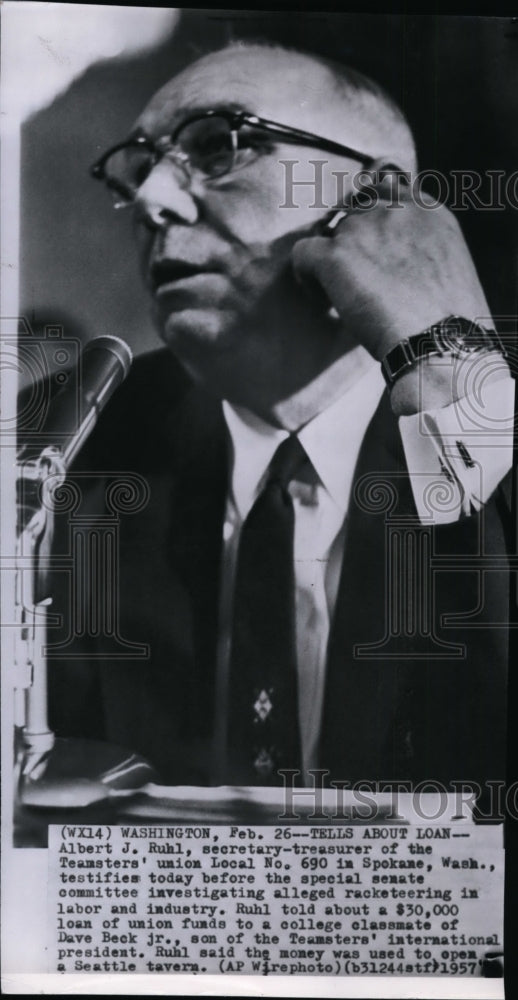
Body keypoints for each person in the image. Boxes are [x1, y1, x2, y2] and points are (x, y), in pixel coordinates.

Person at [45, 42, 513, 791]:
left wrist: (453, 373)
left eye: (218, 144)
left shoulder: (496, 421)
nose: (152, 200)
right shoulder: (79, 444)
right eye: (138, 169)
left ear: (377, 200)